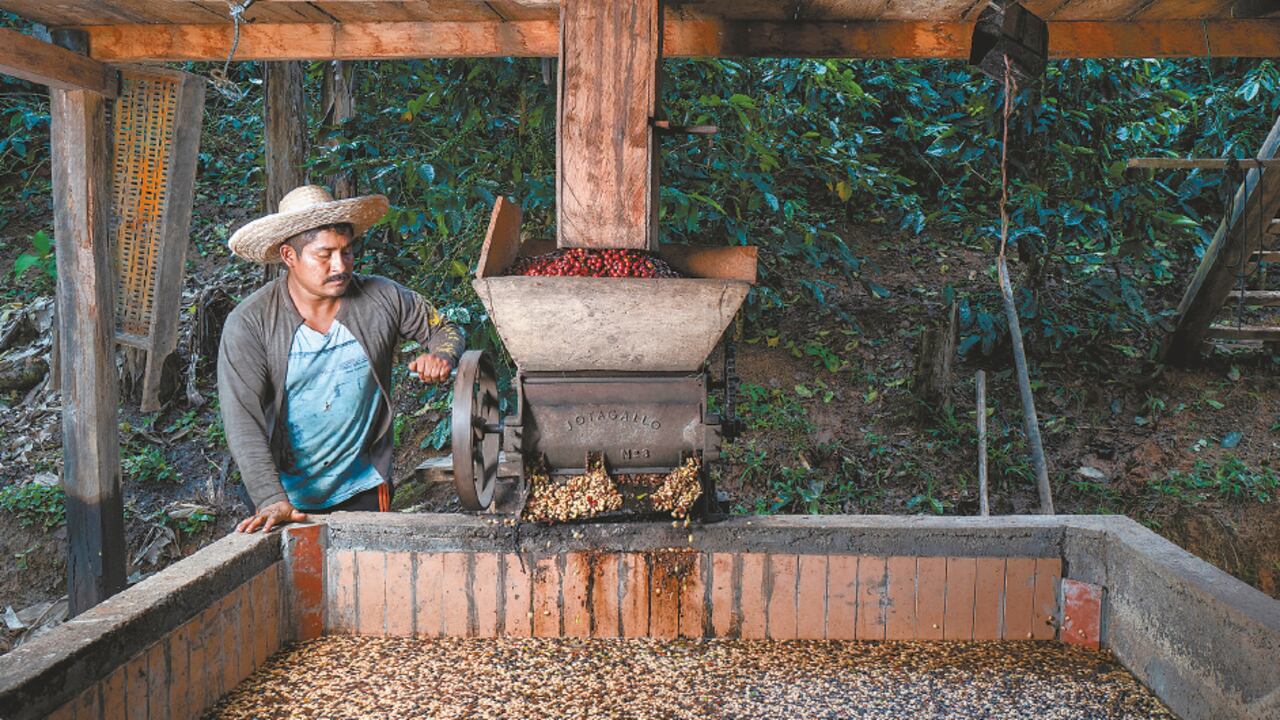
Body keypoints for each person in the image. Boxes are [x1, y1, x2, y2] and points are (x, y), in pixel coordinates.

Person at [217, 185, 463, 533]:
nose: (340, 266)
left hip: (363, 485)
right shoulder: (250, 323)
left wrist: (442, 355)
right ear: (289, 256)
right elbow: (243, 418)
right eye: (325, 254)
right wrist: (269, 496)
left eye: (347, 252)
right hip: (287, 496)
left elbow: (445, 328)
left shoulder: (383, 298)